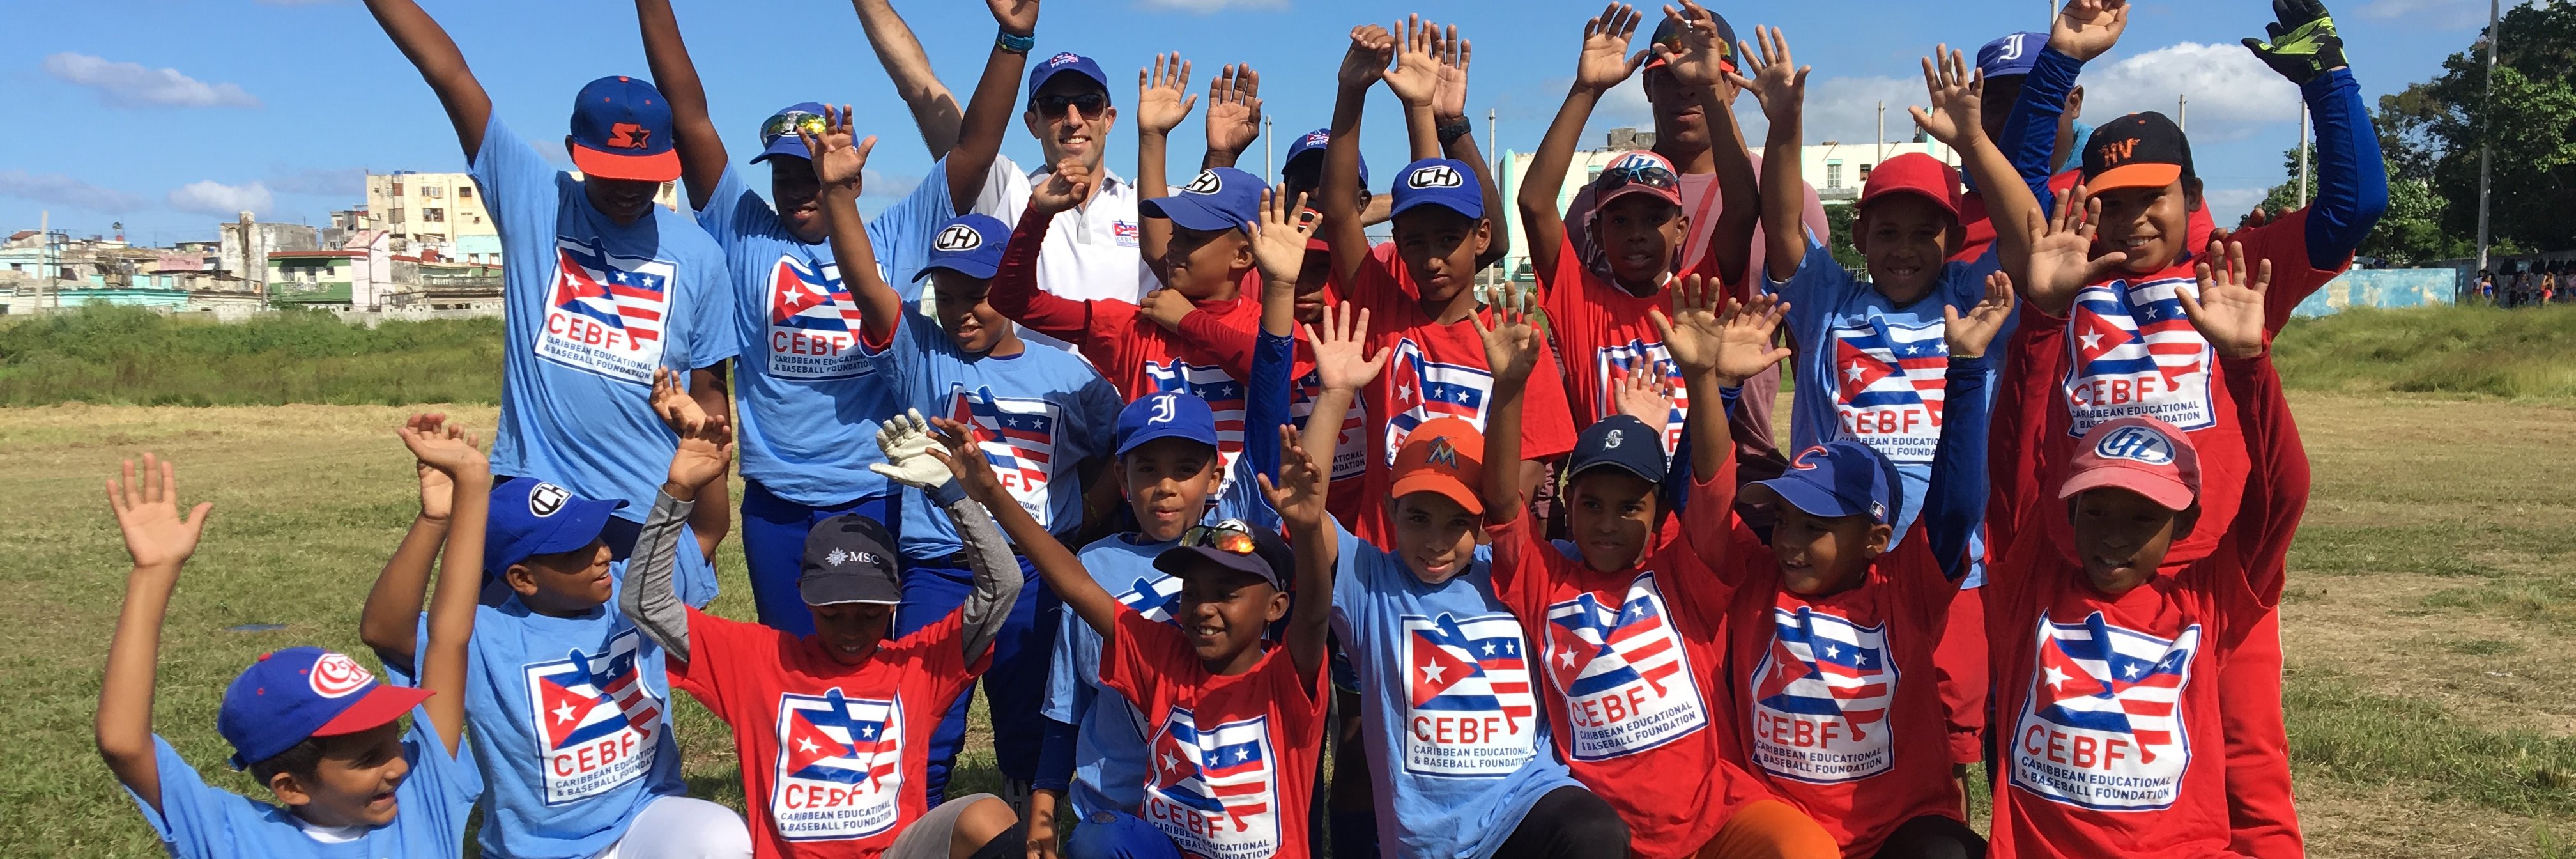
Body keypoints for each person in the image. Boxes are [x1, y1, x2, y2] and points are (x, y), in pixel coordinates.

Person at [631, 0, 1030, 636]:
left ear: (848, 172)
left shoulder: (897, 234)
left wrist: (1013, 39)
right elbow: (690, 118)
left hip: (876, 487)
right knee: (792, 668)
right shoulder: (743, 228)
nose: (801, 188)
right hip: (777, 501)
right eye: (787, 174)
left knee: (874, 666)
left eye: (814, 173)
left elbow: (974, 150)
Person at [804, 109, 1125, 809]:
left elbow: (1118, 450)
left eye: (976, 296)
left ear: (1009, 287)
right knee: (925, 713)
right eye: (945, 297)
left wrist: (1084, 519)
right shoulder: (925, 352)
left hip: (1035, 572)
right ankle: (914, 826)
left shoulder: (1067, 375)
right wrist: (837, 197)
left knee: (1026, 720)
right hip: (941, 569)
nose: (960, 313)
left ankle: (1012, 826)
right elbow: (867, 288)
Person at [360, 0, 739, 574]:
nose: (629, 191)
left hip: (648, 503)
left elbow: (711, 396)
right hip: (535, 493)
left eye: (646, 176)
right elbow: (450, 74)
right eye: (612, 172)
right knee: (523, 654)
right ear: (574, 153)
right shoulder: (535, 200)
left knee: (636, 664)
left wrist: (711, 525)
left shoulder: (700, 256)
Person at [1478, 274, 1844, 859]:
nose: (1605, 523)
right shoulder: (1543, 579)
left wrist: (1704, 380)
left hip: (1716, 815)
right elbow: (1500, 503)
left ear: (1656, 516)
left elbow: (1714, 489)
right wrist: (1508, 392)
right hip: (1614, 834)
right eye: (1591, 504)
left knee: (1804, 849)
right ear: (1567, 503)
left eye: (1630, 508)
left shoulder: (1682, 575)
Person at [1982, 231, 2310, 856]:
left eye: (2142, 518)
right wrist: (2044, 320)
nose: (2110, 535)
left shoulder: (2206, 600)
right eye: (2095, 509)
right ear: (2067, 510)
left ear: (2184, 525)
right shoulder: (2031, 584)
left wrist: (2249, 368)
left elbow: (2283, 497)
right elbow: (2012, 463)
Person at [620, 406, 1029, 858]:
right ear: (804, 595)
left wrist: (952, 494)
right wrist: (678, 492)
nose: (851, 631)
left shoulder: (915, 664)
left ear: (895, 597)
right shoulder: (757, 661)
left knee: (988, 816)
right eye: (832, 615)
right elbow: (645, 602)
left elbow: (1003, 587)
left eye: (870, 615)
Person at [1031, 189, 1308, 852]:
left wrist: (1279, 291)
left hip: (1229, 811)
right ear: (1119, 480)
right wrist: (1043, 814)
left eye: (1185, 469)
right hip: (1124, 813)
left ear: (1216, 477)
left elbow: (1270, 408)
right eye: (1146, 469)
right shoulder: (1097, 568)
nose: (1164, 487)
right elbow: (1065, 708)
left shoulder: (1234, 531)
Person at [356, 405, 748, 859]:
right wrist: (436, 520)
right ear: (523, 578)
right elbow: (384, 631)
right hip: (543, 848)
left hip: (644, 817)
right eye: (574, 552)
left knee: (722, 838)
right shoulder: (485, 635)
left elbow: (706, 532)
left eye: (598, 536)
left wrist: (695, 478)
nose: (602, 554)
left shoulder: (633, 590)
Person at [1711, 276, 2007, 858]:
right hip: (1785, 823)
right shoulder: (1755, 579)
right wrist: (1721, 388)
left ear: (1875, 539)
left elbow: (1955, 509)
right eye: (1785, 519)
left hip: (1900, 825)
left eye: (1815, 527)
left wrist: (1967, 370)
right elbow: (1698, 500)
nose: (1789, 542)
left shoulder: (1905, 586)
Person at [969, 410, 1333, 859]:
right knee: (1100, 838)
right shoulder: (1165, 659)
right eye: (1192, 593)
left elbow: (1315, 616)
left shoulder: (1287, 679)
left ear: (1276, 608)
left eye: (1226, 594)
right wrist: (991, 492)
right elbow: (1076, 584)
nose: (1204, 608)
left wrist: (1309, 528)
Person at [98, 451, 480, 858]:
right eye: (370, 758)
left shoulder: (424, 794)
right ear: (291, 787)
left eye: (394, 743)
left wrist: (467, 491)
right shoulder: (236, 837)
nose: (400, 766)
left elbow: (448, 639)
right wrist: (153, 573)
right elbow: (124, 743)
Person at [1317, 23, 1579, 546]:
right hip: (1382, 567)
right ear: (1397, 240)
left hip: (1472, 573)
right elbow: (1339, 210)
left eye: (1448, 239)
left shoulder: (1513, 341)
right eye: (1415, 242)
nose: (1432, 258)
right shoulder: (1383, 313)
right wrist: (1350, 92)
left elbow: (1526, 476)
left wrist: (1463, 554)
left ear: (1482, 236)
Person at [1554, 5, 1831, 478]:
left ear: (1734, 85)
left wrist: (1814, 471)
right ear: (1645, 86)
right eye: (1668, 75)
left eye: (1704, 74)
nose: (1686, 87)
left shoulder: (1788, 199)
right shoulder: (1598, 204)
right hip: (1623, 467)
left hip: (1744, 464)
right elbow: (1567, 348)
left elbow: (1812, 346)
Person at [1515, 1, 1760, 454]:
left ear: (1682, 229)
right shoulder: (1581, 301)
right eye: (1620, 219)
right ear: (1595, 232)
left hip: (1692, 509)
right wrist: (1586, 89)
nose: (1636, 233)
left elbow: (1744, 206)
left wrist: (1711, 89)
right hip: (1607, 509)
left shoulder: (1698, 297)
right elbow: (1533, 203)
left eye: (1655, 218)